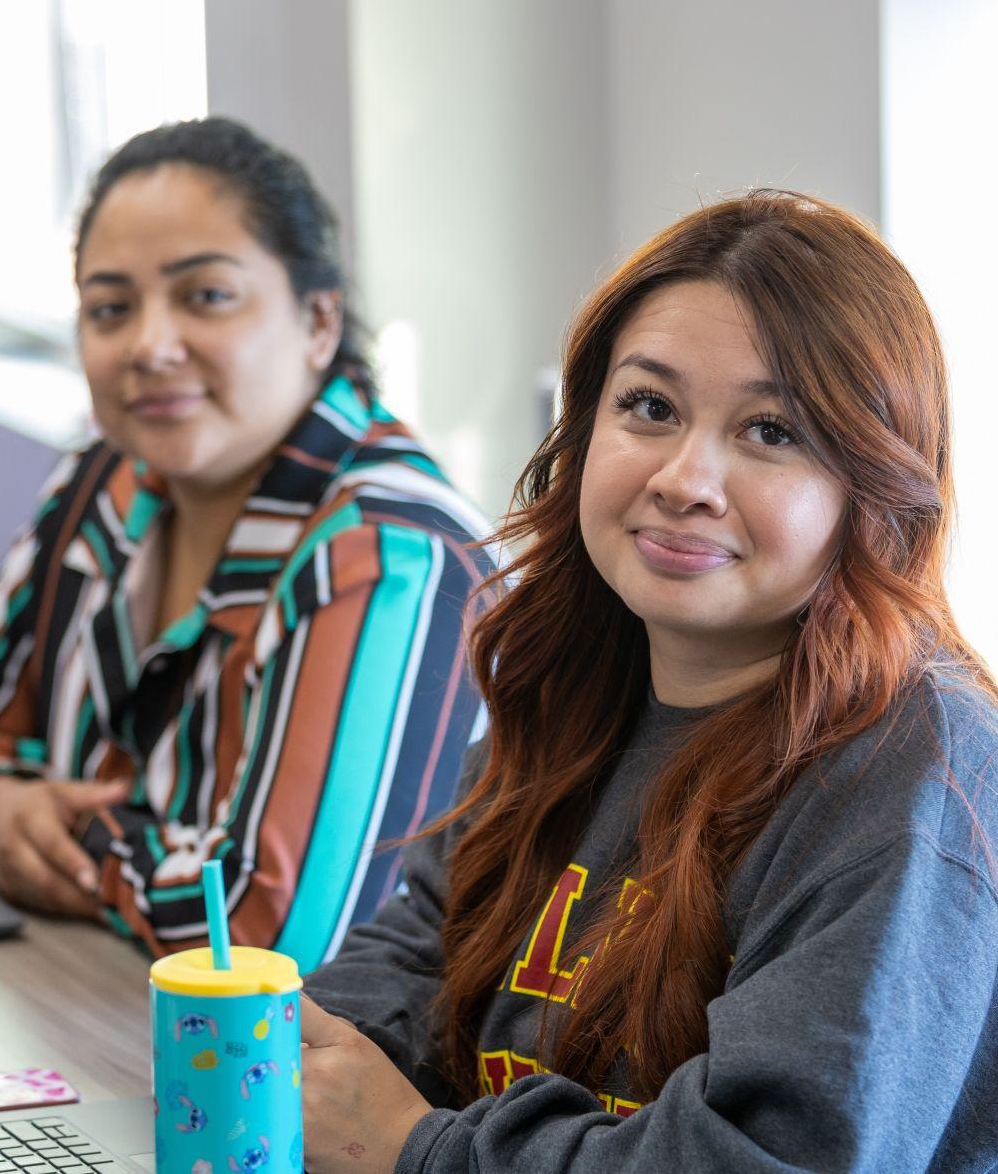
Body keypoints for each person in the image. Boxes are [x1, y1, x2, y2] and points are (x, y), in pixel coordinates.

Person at [300, 190, 998, 1172]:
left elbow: (761, 1158)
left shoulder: (922, 770)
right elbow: (419, 950)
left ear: (872, 487)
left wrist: (417, 1147)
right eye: (649, 407)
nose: (682, 476)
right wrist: (288, 1050)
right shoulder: (576, 678)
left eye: (771, 431)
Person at [0, 117, 494, 972]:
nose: (150, 345)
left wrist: (67, 835)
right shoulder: (97, 482)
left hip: (300, 1084)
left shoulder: (391, 554)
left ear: (318, 321)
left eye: (206, 296)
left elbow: (273, 936)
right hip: (80, 1016)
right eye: (110, 308)